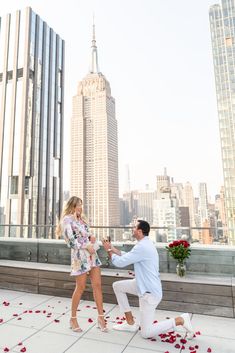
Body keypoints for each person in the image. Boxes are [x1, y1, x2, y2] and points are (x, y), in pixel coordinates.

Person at [102, 220, 194, 339]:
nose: (132, 229)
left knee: (146, 333)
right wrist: (113, 248)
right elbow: (128, 255)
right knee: (118, 286)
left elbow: (119, 263)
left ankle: (180, 320)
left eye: (134, 227)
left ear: (139, 231)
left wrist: (108, 250)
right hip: (141, 284)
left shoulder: (142, 247)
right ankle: (130, 323)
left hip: (149, 293)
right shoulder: (144, 244)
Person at [56, 196, 107, 332]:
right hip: (80, 257)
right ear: (72, 206)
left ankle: (101, 318)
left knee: (97, 285)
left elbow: (86, 234)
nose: (80, 207)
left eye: (81, 205)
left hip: (92, 255)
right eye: (79, 205)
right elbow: (70, 242)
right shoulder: (67, 220)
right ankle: (73, 319)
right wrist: (85, 246)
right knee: (81, 287)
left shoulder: (82, 219)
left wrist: (91, 237)